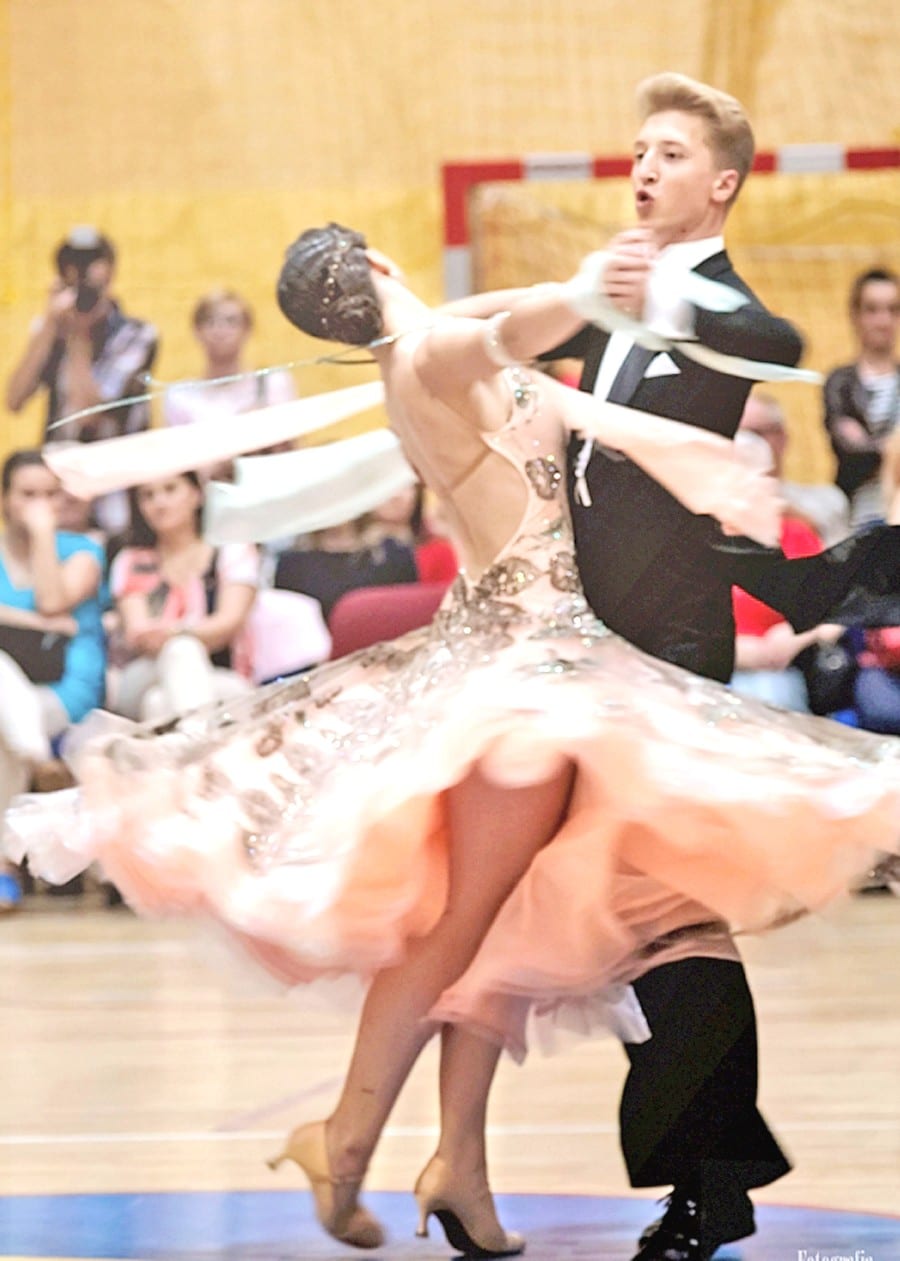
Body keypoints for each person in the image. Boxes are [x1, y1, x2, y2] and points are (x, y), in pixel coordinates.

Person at [6, 225, 899, 1261]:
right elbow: (511, 331)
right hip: (522, 676)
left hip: (542, 658)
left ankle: (458, 1162)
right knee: (460, 928)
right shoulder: (435, 352)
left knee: (495, 925)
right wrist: (584, 288)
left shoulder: (420, 345)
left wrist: (615, 350)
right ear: (382, 264)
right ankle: (345, 1141)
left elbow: (507, 338)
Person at [0, 450, 105, 908]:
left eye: (50, 495)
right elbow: (45, 618)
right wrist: (35, 626)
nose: (40, 505)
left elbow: (51, 600)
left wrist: (44, 533)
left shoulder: (83, 552)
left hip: (67, 693)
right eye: (28, 495)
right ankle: (37, 756)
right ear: (5, 499)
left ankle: (3, 868)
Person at [5, 227, 159, 534]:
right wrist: (50, 325)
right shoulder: (52, 327)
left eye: (92, 262)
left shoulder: (136, 334)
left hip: (115, 489)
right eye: (74, 263)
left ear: (111, 270)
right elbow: (14, 399)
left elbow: (90, 415)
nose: (83, 273)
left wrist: (79, 336)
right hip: (60, 486)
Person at [107, 471, 259, 723]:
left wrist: (173, 632)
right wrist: (183, 635)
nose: (159, 503)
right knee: (182, 650)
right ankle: (197, 737)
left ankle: (188, 738)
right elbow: (142, 637)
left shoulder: (231, 550)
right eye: (148, 496)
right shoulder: (132, 560)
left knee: (159, 704)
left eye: (170, 489)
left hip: (219, 673)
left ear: (196, 494)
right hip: (144, 674)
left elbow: (229, 623)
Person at [730, 393, 843, 712]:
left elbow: (838, 602)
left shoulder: (812, 516)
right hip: (721, 659)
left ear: (782, 436)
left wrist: (792, 637)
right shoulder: (694, 520)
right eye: (738, 433)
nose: (749, 445)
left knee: (772, 692)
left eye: (758, 433)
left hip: (787, 665)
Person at [163, 289, 296, 480]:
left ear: (247, 329)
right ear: (197, 330)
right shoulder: (180, 396)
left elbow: (290, 447)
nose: (220, 331)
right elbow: (179, 464)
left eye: (231, 322)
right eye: (210, 321)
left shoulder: (272, 382)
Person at [823, 267, 900, 529]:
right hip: (858, 503)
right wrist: (893, 447)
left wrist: (872, 444)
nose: (883, 320)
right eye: (872, 309)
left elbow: (861, 444)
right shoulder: (841, 383)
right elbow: (850, 451)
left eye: (893, 310)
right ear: (855, 315)